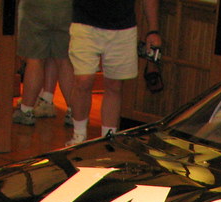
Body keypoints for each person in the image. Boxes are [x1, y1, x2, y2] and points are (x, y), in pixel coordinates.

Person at [68, 0, 161, 145]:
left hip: (123, 26)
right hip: (85, 23)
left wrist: (153, 30)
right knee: (83, 81)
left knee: (114, 85)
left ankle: (108, 138)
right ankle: (79, 135)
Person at [13, 0, 75, 125]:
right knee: (64, 60)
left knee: (35, 59)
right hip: (66, 8)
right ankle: (74, 112)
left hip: (36, 7)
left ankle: (26, 111)